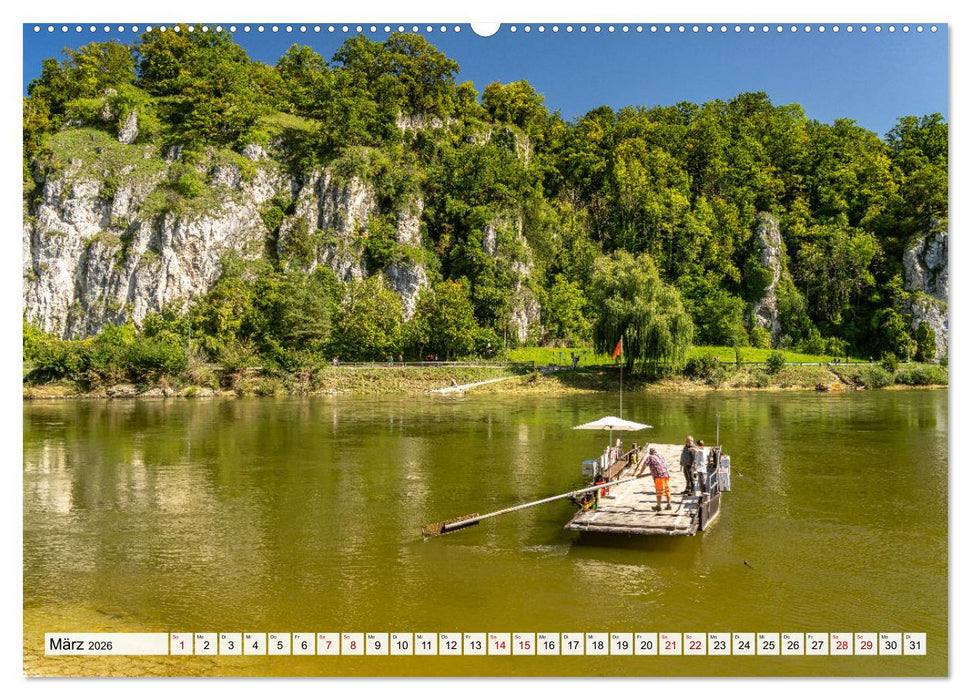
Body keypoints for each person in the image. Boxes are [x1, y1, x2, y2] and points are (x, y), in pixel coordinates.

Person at [641, 447, 671, 511]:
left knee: (659, 491)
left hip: (659, 476)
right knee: (666, 490)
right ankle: (669, 505)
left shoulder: (649, 457)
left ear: (650, 453)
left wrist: (640, 473)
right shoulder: (661, 456)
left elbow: (644, 465)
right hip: (666, 475)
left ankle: (658, 506)